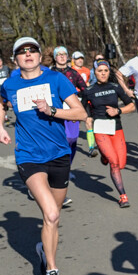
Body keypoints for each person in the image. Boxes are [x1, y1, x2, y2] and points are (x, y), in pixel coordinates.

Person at [0, 37, 87, 275]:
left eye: (32, 50)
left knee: (52, 217)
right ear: (15, 59)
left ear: (39, 55)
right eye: (22, 52)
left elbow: (80, 113)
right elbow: (0, 102)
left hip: (59, 155)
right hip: (29, 155)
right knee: (52, 214)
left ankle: (42, 249)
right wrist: (1, 126)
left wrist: (52, 110)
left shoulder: (56, 80)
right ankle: (52, 272)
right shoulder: (9, 84)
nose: (28, 55)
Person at [81, 59, 135, 207]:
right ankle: (123, 196)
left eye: (105, 71)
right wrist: (88, 119)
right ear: (95, 72)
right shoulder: (89, 90)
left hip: (116, 128)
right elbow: (81, 109)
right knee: (114, 163)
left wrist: (118, 110)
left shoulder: (115, 87)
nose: (103, 73)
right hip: (100, 129)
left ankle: (104, 156)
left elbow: (131, 106)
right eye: (100, 71)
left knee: (121, 163)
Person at [50, 46, 87, 186]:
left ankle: (67, 167)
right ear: (55, 57)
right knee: (58, 141)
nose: (62, 56)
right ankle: (57, 170)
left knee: (71, 140)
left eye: (64, 54)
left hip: (72, 112)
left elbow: (85, 89)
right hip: (54, 113)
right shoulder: (49, 73)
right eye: (58, 54)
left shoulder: (74, 73)